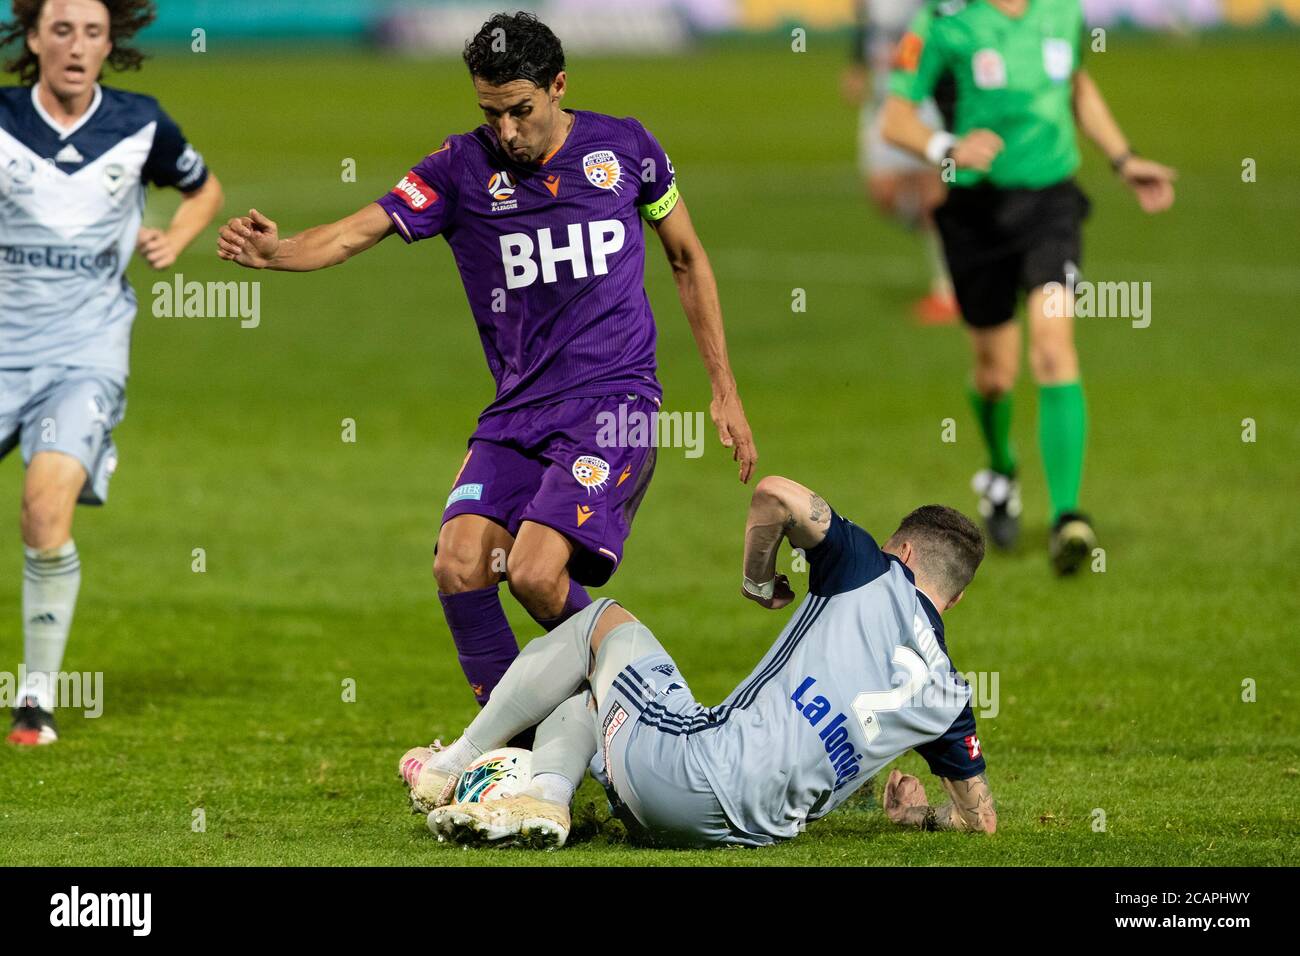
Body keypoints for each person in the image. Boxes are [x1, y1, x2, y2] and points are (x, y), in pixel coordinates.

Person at [217, 12, 758, 713]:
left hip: (614, 403)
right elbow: (356, 231)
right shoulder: (460, 167)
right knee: (460, 562)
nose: (506, 131)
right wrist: (278, 251)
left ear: (559, 87)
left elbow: (686, 256)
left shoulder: (626, 149)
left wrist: (724, 390)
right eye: (491, 113)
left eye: (521, 111)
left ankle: (666, 715)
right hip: (518, 412)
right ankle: (523, 756)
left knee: (534, 573)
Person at [402, 475, 995, 848]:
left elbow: (776, 494)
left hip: (688, 770)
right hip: (743, 834)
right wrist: (920, 818)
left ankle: (453, 764)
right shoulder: (948, 698)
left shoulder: (871, 569)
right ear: (958, 597)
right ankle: (547, 798)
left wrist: (758, 580)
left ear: (905, 551)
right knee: (590, 700)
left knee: (603, 622)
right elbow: (979, 821)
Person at [880, 0, 1176, 572]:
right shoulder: (944, 22)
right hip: (975, 214)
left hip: (1050, 205)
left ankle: (1069, 515)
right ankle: (1001, 469)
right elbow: (895, 117)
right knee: (994, 376)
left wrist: (1123, 158)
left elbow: (1077, 87)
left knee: (1052, 347)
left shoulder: (1062, 10)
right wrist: (947, 150)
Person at [1, 0, 223, 744]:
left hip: (84, 356)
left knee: (43, 510)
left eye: (92, 32)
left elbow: (204, 189)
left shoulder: (141, 122)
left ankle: (34, 700)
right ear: (33, 38)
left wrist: (178, 238)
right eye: (61, 30)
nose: (76, 45)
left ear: (108, 44)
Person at [841, 0, 959, 324]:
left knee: (933, 192)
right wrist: (856, 65)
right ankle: (957, 236)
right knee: (883, 193)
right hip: (881, 98)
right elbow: (866, 21)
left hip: (920, 96)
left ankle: (947, 291)